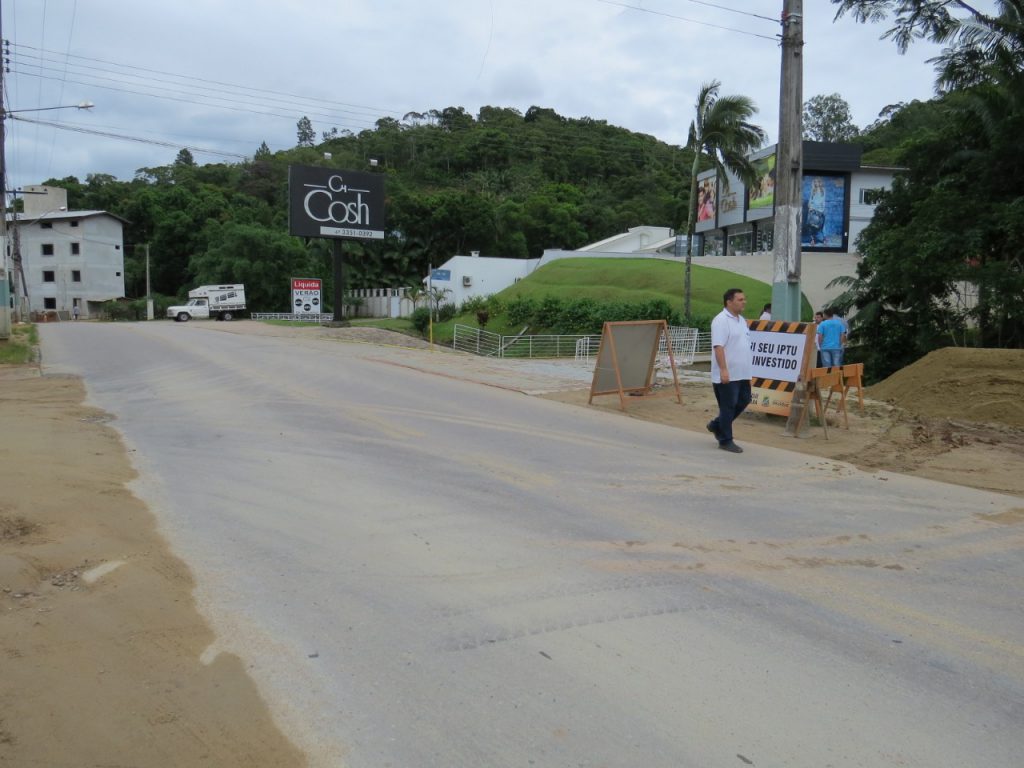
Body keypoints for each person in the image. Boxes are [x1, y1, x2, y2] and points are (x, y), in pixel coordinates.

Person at [706, 288, 753, 454]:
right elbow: (718, 346)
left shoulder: (741, 321)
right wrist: (724, 370)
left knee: (745, 399)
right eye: (740, 299)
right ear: (729, 302)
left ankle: (716, 425)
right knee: (728, 406)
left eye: (744, 299)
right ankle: (725, 439)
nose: (744, 302)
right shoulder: (721, 321)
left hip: (742, 372)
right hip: (727, 373)